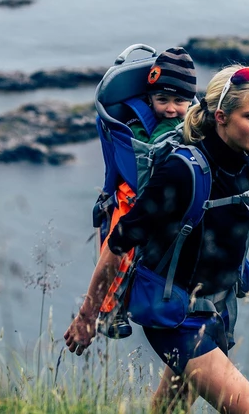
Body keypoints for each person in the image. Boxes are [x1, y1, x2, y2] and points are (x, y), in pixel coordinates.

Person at [65, 64, 249, 413]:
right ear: (221, 117)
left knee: (170, 410)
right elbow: (121, 241)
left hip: (218, 309)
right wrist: (87, 316)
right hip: (174, 317)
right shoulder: (182, 171)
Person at [97, 47, 197, 338]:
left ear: (191, 100)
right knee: (121, 246)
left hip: (179, 192)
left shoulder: (193, 120)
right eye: (161, 99)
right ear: (149, 98)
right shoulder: (138, 127)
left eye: (179, 101)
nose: (170, 108)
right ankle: (108, 309)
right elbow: (147, 154)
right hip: (138, 192)